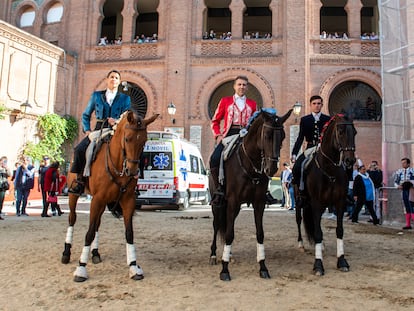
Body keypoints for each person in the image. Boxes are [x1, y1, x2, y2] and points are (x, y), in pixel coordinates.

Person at [68, 69, 131, 195]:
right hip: (98, 129)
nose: (114, 79)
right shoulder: (96, 96)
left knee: (132, 150)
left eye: (116, 78)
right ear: (107, 80)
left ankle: (132, 183)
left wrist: (117, 121)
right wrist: (87, 130)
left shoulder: (125, 98)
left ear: (119, 82)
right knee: (79, 149)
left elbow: (127, 117)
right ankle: (80, 181)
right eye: (112, 77)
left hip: (116, 131)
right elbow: (86, 115)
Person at [209, 75, 257, 206]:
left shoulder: (252, 104)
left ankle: (263, 190)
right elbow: (215, 121)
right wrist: (218, 135)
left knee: (262, 156)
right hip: (229, 134)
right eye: (239, 84)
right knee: (214, 158)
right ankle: (218, 188)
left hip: (247, 135)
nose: (242, 87)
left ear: (247, 87)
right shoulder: (225, 101)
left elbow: (255, 122)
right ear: (234, 86)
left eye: (244, 85)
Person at [291, 95, 331, 191]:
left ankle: (345, 192)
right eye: (314, 103)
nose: (316, 105)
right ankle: (299, 191)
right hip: (309, 148)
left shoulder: (328, 119)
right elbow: (300, 138)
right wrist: (294, 154)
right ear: (310, 105)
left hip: (324, 149)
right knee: (297, 166)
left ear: (322, 105)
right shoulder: (305, 120)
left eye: (318, 103)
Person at [394, 157, 414, 230]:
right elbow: (395, 181)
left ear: (408, 163)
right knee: (406, 206)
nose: (403, 164)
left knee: (412, 205)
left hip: (411, 190)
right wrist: (398, 186)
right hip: (403, 190)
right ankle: (408, 224)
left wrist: (410, 183)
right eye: (402, 163)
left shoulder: (412, 171)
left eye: (404, 163)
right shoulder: (399, 171)